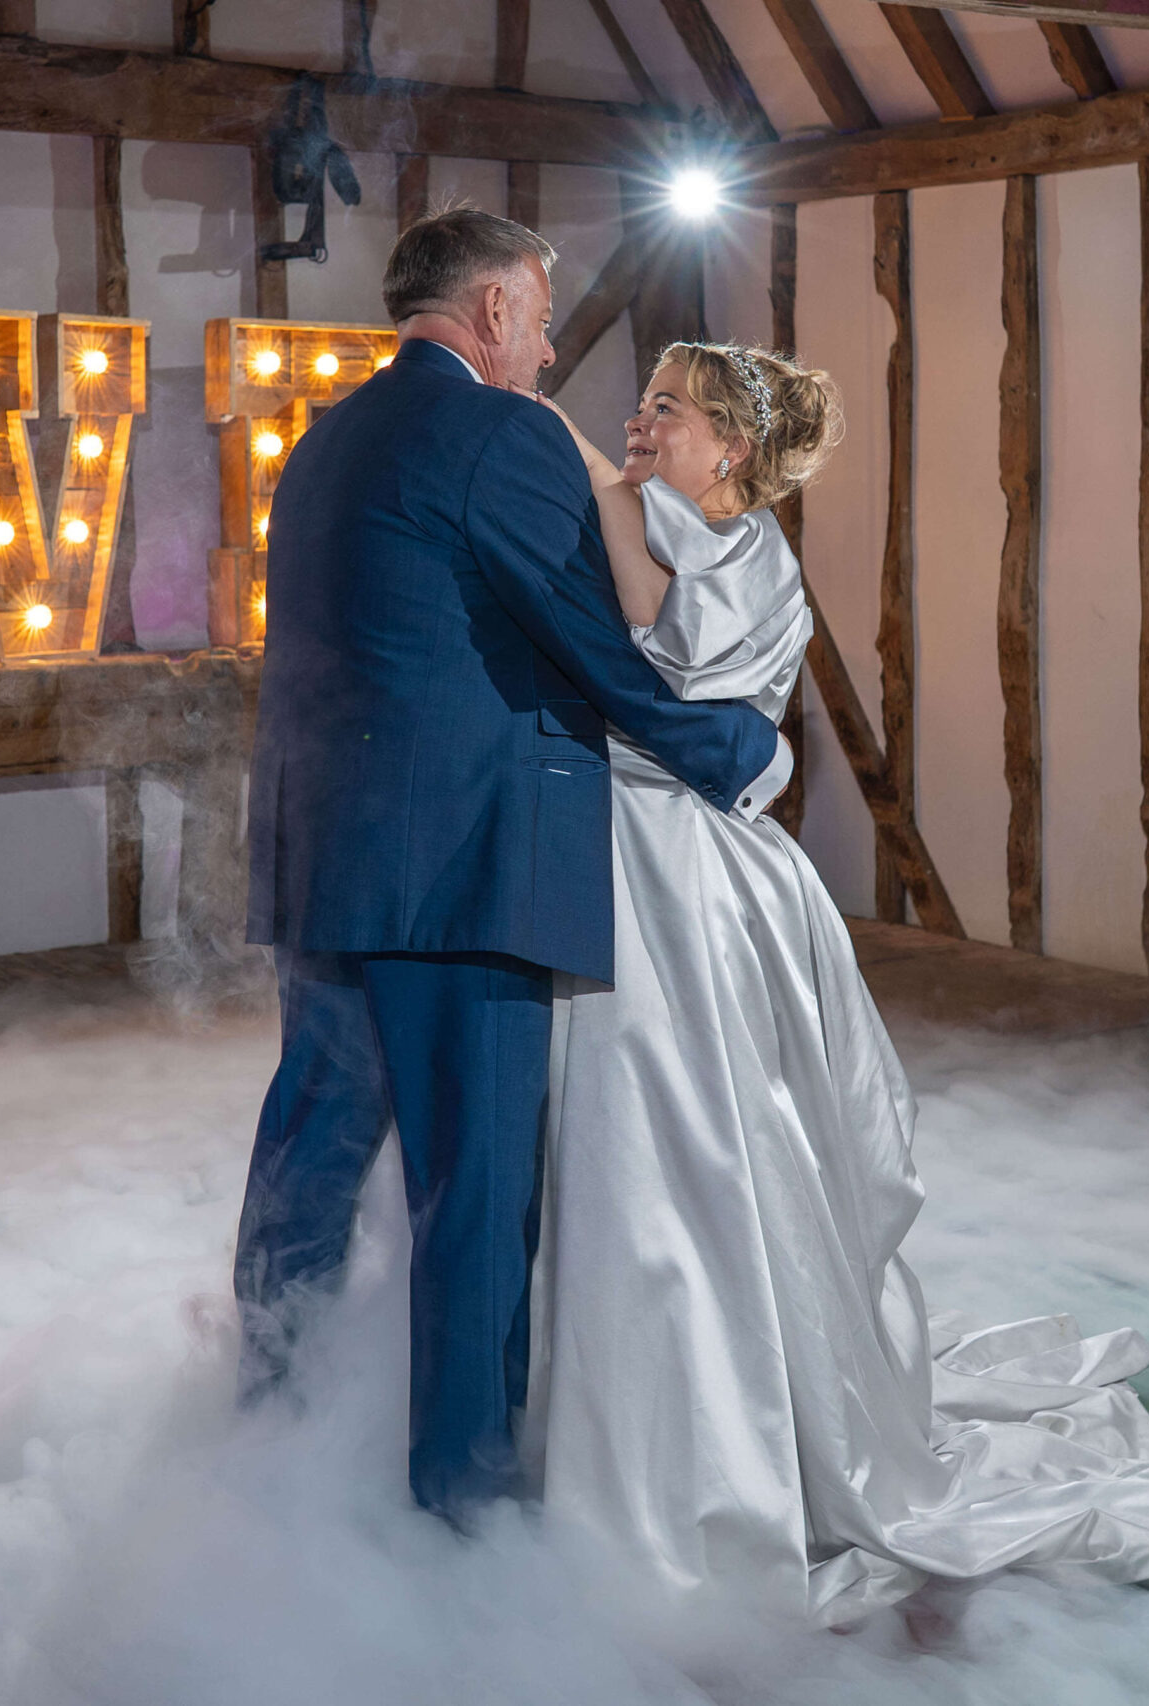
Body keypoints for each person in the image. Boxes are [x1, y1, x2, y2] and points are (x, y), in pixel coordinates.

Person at [527, 343, 1149, 1624]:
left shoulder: (731, 550)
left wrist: (564, 445)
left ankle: (705, 1418)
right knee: (637, 1140)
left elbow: (639, 638)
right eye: (646, 402)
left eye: (666, 406)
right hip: (644, 848)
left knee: (684, 1132)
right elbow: (613, 510)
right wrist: (543, 418)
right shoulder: (679, 519)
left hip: (680, 874)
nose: (641, 420)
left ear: (729, 447)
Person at [233, 212, 792, 1523]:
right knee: (472, 1194)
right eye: (538, 321)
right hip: (456, 870)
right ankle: (464, 1503)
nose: (544, 351)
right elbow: (591, 642)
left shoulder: (323, 440)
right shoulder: (499, 433)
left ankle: (264, 1430)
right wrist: (734, 751)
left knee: (309, 1158)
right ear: (488, 311)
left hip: (328, 854)